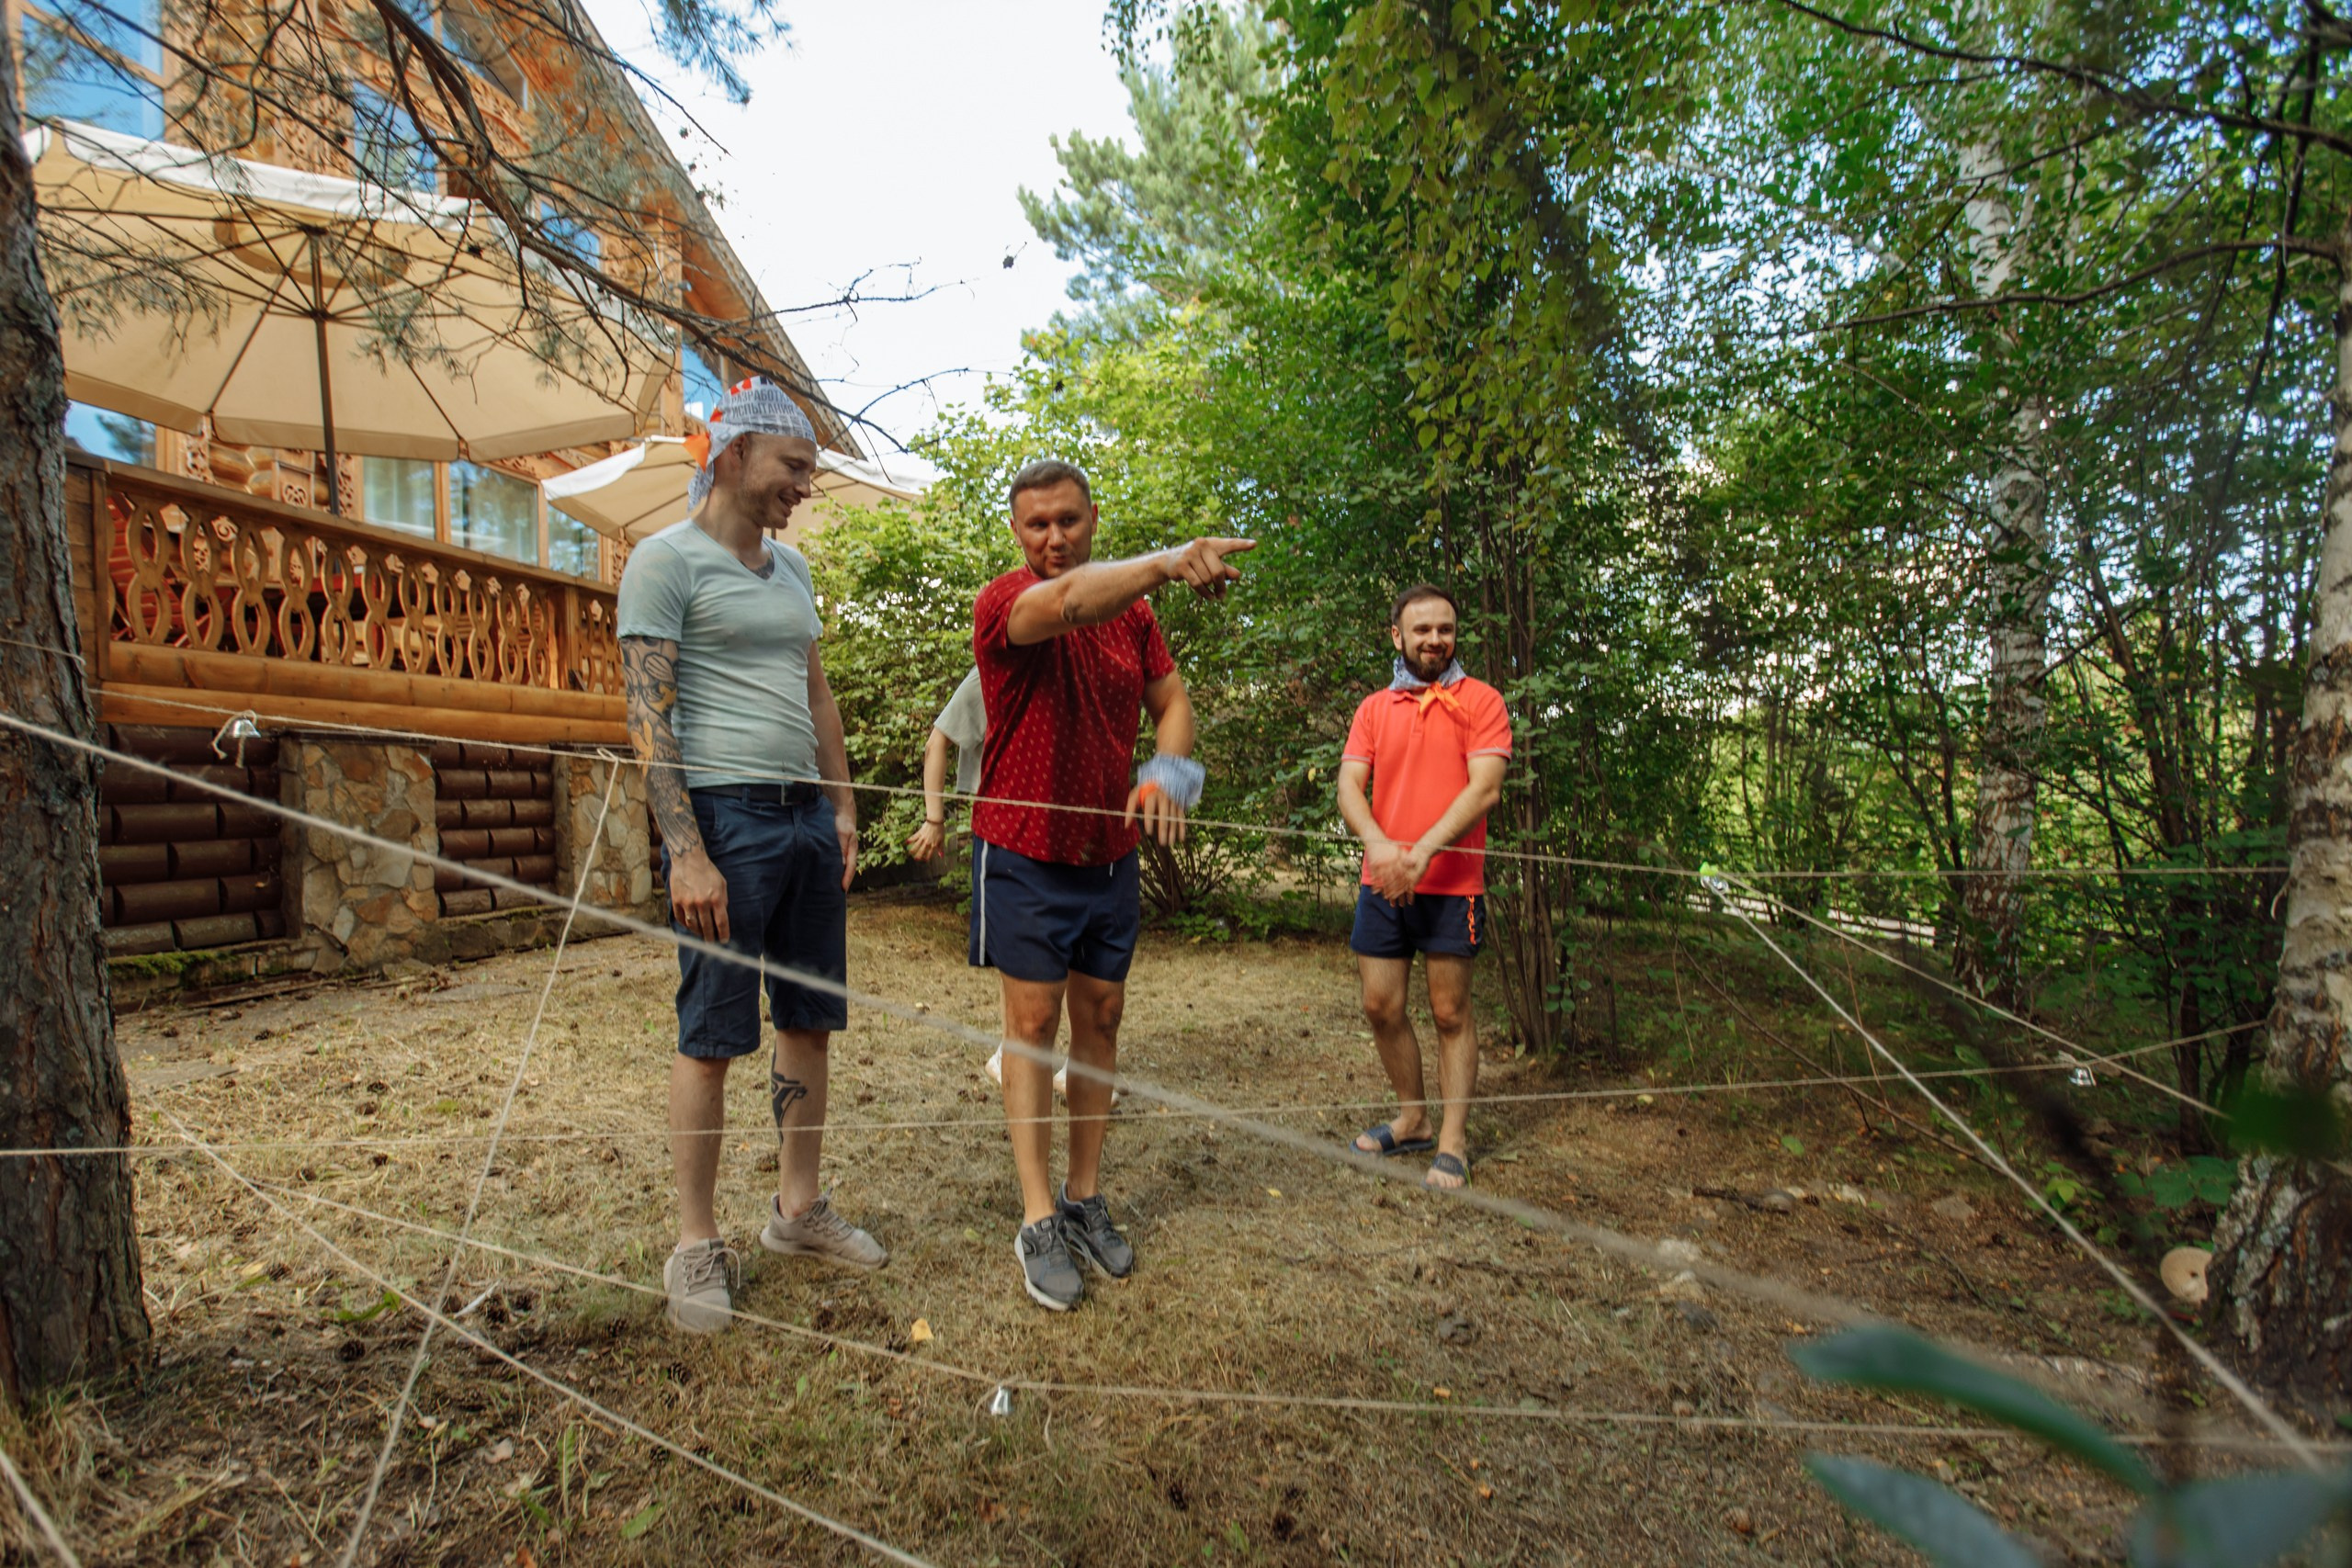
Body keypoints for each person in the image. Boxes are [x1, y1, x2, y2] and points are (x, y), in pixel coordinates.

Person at [616, 376, 888, 1336]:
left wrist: (842, 808)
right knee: (713, 1031)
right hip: (723, 821)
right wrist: (685, 852)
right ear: (734, 455)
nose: (805, 486)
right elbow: (647, 718)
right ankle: (695, 1243)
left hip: (804, 820)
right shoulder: (664, 561)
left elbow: (816, 695)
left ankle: (796, 1211)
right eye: (794, 466)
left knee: (809, 1019)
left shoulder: (794, 570)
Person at [970, 458, 1252, 1310]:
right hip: (1024, 850)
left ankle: (1083, 1196)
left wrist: (1169, 772)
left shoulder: (1136, 616)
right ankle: (1036, 1218)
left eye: (1068, 520)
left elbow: (1173, 701)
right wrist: (1167, 561)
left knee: (1101, 1019)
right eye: (1036, 524)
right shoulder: (1005, 602)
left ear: (1093, 518)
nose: (1053, 537)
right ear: (1016, 531)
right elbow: (1067, 604)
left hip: (1108, 853)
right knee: (1031, 1026)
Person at [1335, 585, 1511, 1190]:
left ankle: (1453, 1141)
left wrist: (1423, 854)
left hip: (1453, 885)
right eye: (1422, 629)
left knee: (1450, 1012)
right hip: (1383, 880)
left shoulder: (1482, 700)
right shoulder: (1373, 708)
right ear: (1397, 636)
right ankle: (1412, 1118)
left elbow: (1485, 788)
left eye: (1445, 629)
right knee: (1380, 1006)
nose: (1435, 639)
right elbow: (1349, 787)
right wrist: (1382, 847)